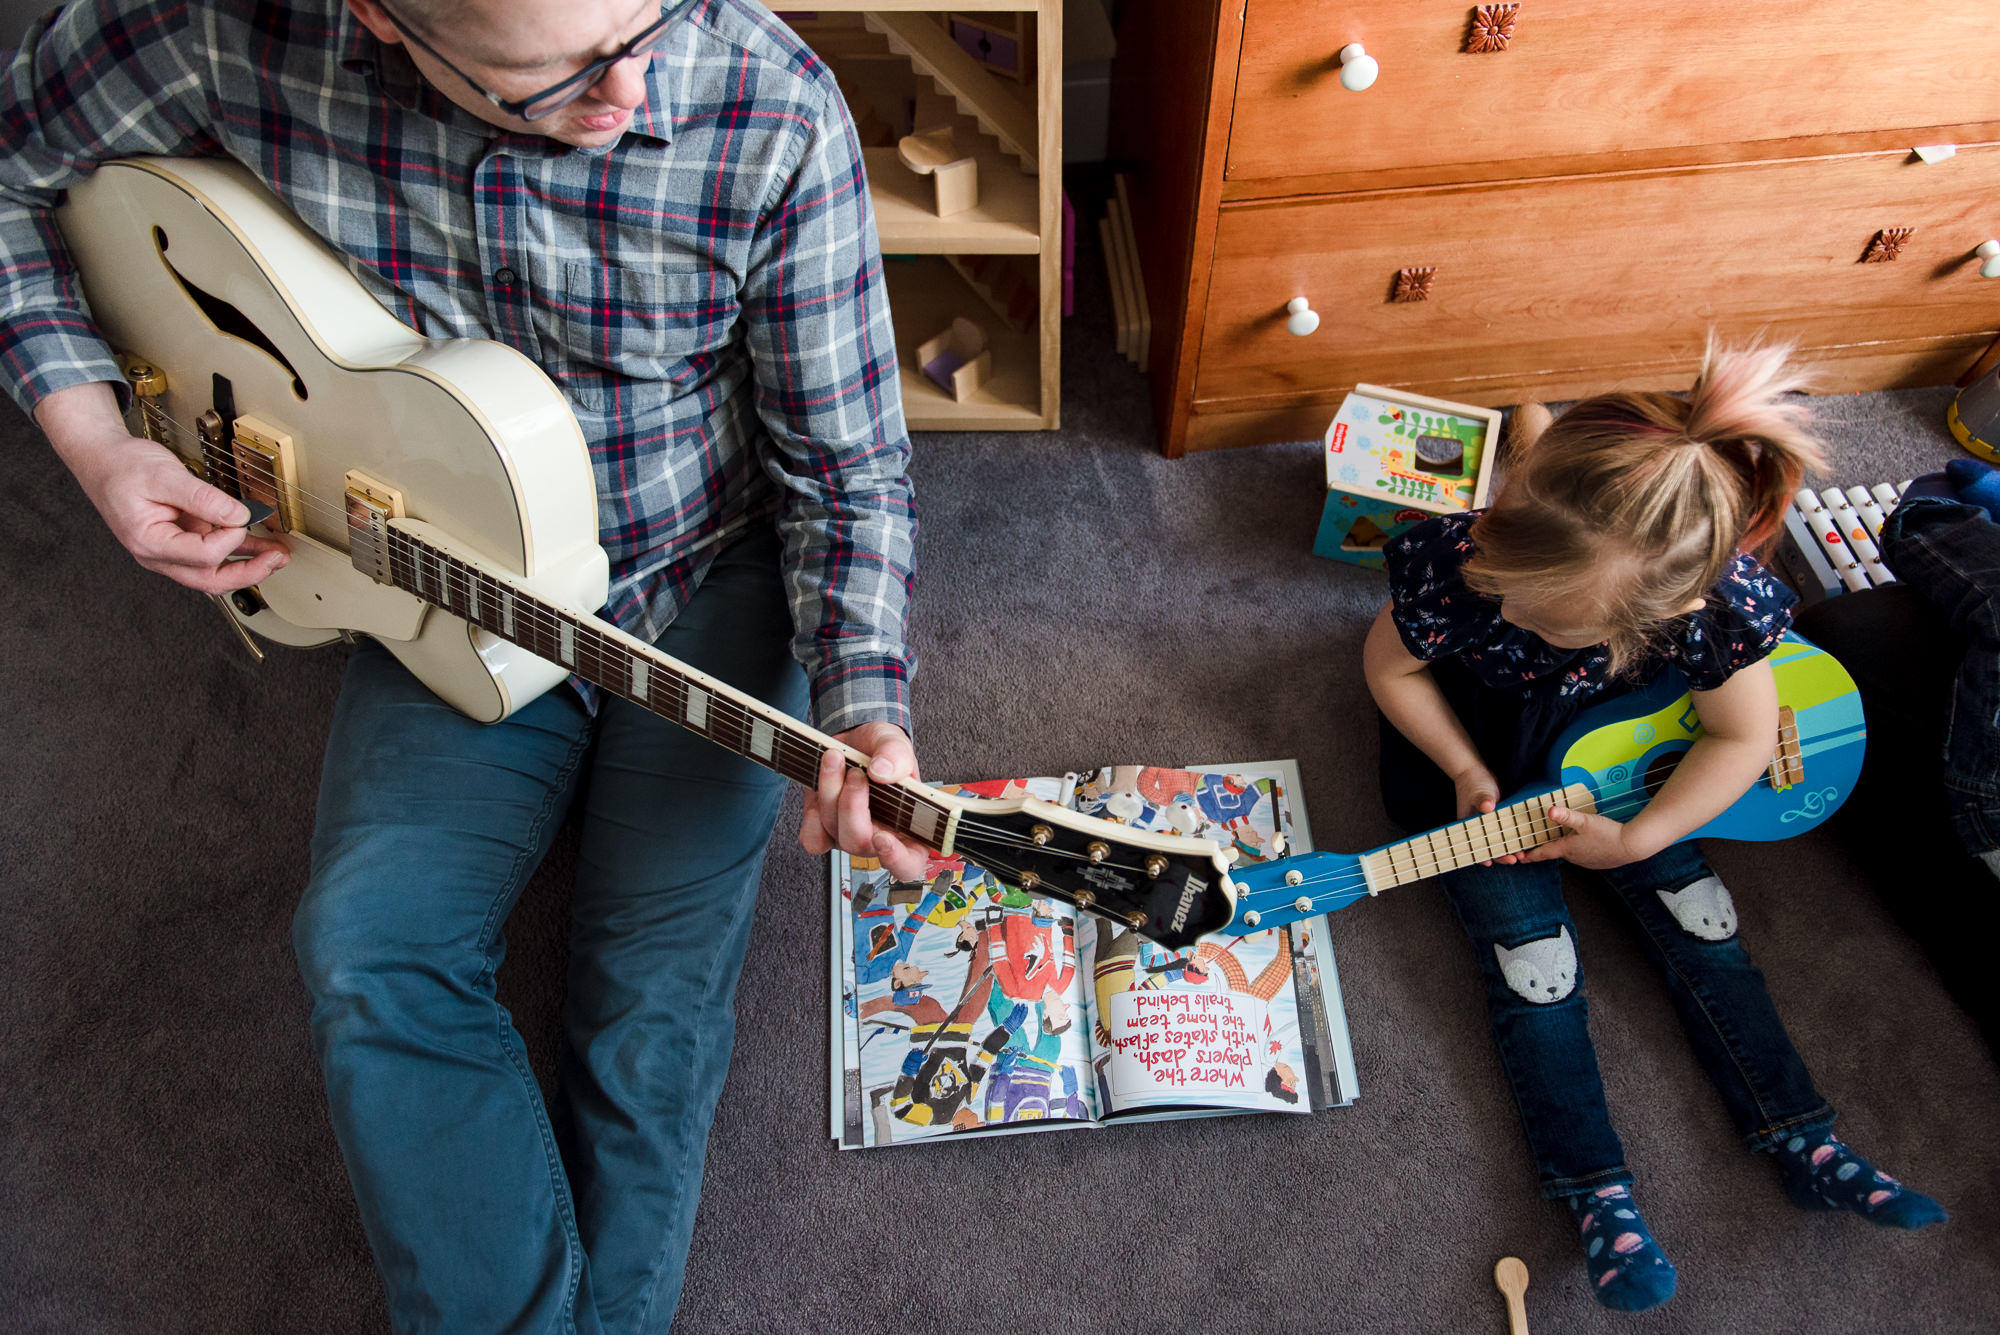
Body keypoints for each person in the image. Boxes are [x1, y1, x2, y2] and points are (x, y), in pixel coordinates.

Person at [1, 1, 932, 1330]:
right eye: (559, 75)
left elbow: (844, 469)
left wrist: (868, 707)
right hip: (425, 568)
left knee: (647, 1012)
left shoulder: (766, 100)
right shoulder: (211, 27)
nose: (635, 91)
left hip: (705, 566)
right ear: (378, 18)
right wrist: (98, 441)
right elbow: (11, 170)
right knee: (365, 949)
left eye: (644, 21)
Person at [1362, 344, 1946, 1313]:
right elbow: (1390, 669)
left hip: (1622, 759)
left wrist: (1636, 839)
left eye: (1550, 622)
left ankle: (1801, 1135)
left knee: (1704, 930)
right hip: (1480, 754)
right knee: (1529, 965)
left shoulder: (1710, 610)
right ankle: (1595, 1192)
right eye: (1509, 590)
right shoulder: (1459, 561)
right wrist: (1463, 767)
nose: (1510, 611)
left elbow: (1740, 734)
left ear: (1667, 613)